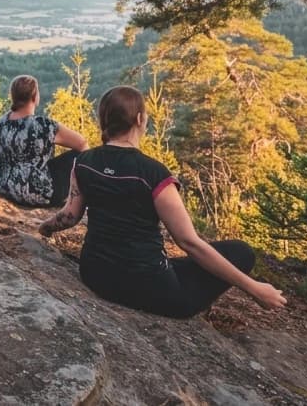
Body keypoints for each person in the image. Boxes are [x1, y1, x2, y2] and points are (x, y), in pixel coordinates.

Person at [37, 85, 287, 319]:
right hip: (150, 288)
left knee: (182, 265)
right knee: (241, 252)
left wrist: (45, 227)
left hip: (95, 274)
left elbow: (71, 214)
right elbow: (189, 242)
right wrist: (254, 289)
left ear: (104, 119)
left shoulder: (84, 162)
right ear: (139, 120)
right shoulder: (154, 174)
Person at [0, 75, 87, 208]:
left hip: (2, 184)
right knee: (80, 156)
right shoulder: (43, 125)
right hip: (36, 192)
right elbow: (82, 143)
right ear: (35, 97)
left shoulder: (3, 121)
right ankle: (80, 201)